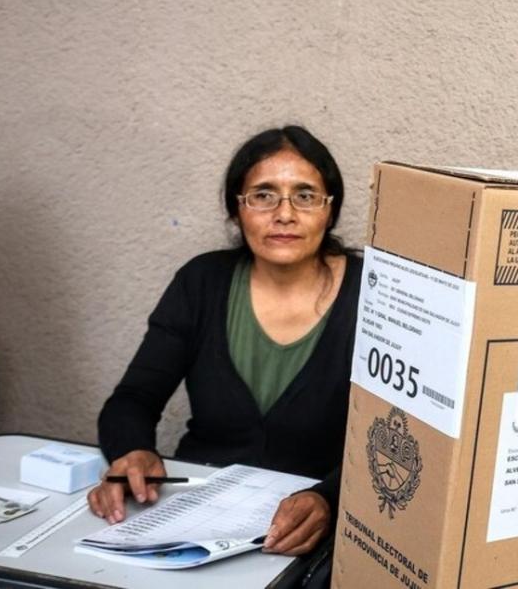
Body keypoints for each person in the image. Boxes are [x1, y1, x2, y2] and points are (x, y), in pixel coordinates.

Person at [89, 126, 362, 557]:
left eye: (306, 195)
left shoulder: (375, 294)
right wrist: (132, 452)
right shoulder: (202, 282)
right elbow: (133, 399)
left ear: (330, 210)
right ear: (237, 210)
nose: (285, 214)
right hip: (197, 513)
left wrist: (328, 498)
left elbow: (399, 442)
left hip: (313, 533)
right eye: (263, 195)